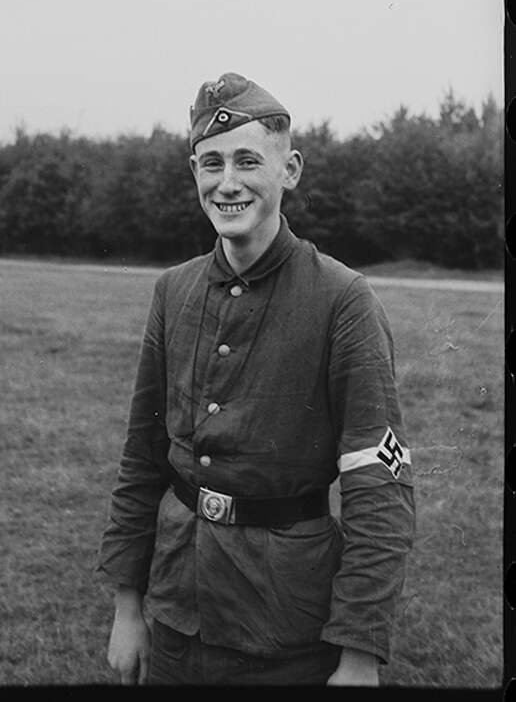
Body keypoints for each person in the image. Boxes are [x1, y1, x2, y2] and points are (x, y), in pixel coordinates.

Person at [96, 72, 415, 686]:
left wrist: (359, 653)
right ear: (194, 172)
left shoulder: (343, 299)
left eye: (248, 161)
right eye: (212, 163)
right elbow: (142, 458)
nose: (228, 182)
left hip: (287, 630)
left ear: (289, 170)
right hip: (176, 616)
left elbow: (378, 486)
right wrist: (128, 607)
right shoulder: (173, 291)